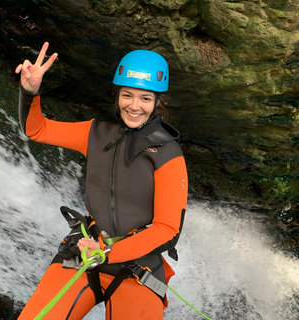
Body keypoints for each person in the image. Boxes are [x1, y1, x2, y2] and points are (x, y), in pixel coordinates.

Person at [15, 42, 188, 320]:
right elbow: (37, 129)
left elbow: (167, 229)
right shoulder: (96, 133)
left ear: (157, 102)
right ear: (116, 95)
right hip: (84, 250)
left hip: (136, 267)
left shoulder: (168, 154)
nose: (134, 106)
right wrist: (30, 91)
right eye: (127, 95)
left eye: (145, 98)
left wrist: (107, 253)